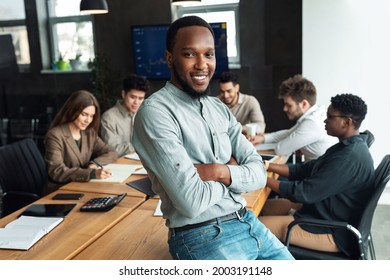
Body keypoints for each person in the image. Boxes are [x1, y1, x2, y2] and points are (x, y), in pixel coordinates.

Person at [132, 16, 293, 260]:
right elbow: (191, 202)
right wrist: (236, 174)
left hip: (248, 222)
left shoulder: (219, 108)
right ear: (169, 58)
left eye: (208, 55)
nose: (201, 64)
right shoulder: (155, 112)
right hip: (202, 236)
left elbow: (259, 174)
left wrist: (219, 172)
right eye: (189, 54)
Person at [258, 93, 375, 258]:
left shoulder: (348, 157)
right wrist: (267, 166)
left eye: (329, 117)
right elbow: (307, 169)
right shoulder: (347, 146)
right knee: (262, 208)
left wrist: (262, 178)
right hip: (322, 213)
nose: (325, 121)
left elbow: (303, 192)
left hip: (332, 230)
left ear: (346, 122)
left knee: (252, 228)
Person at [44, 90, 117, 193]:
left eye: (91, 116)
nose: (88, 120)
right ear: (73, 110)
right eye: (84, 114)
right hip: (61, 190)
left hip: (83, 186)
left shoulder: (89, 133)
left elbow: (111, 152)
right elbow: (57, 171)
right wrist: (91, 173)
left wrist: (94, 164)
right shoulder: (55, 135)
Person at [250, 74, 336, 162]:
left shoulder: (312, 123)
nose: (284, 109)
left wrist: (296, 145)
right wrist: (263, 139)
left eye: (289, 105)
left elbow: (281, 149)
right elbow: (289, 133)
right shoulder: (316, 113)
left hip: (314, 174)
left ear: (304, 104)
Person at [100, 74, 150, 157]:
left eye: (140, 98)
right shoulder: (109, 117)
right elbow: (113, 149)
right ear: (123, 94)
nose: (136, 102)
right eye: (133, 97)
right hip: (118, 165)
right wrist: (143, 146)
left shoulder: (143, 114)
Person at [218, 71, 266, 135]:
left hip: (244, 140)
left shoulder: (250, 101)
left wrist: (239, 128)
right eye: (222, 92)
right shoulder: (215, 103)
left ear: (237, 88)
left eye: (229, 91)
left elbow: (260, 126)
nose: (225, 95)